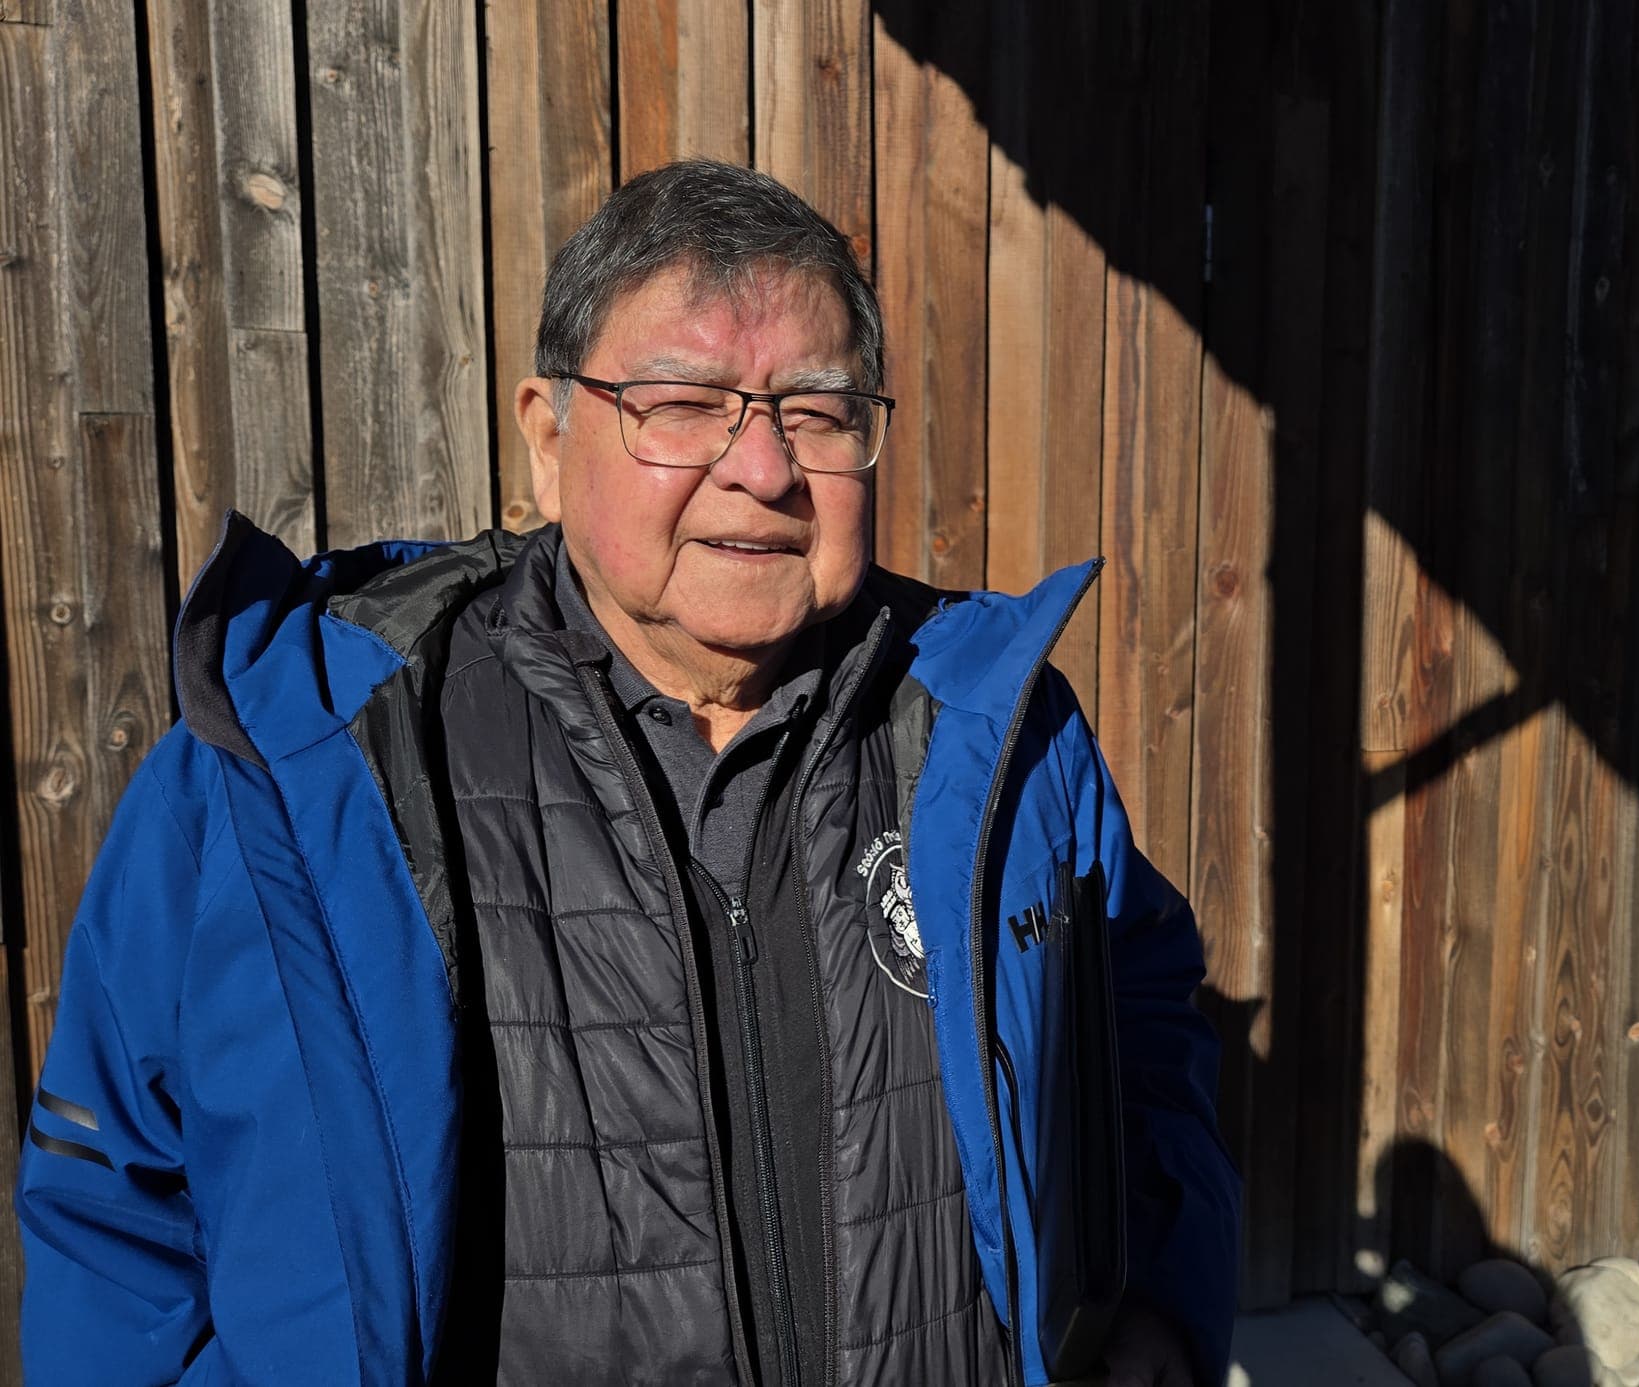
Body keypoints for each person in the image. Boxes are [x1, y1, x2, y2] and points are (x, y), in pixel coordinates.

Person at [16, 159, 1237, 1387]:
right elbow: (115, 1196)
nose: (762, 469)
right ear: (549, 441)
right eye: (684, 403)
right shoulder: (307, 760)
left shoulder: (996, 732)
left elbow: (1134, 1026)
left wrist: (1154, 1309)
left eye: (815, 411)